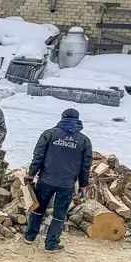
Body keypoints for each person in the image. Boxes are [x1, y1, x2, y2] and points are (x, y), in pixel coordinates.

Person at [26, 108, 93, 253]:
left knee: (38, 208)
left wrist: (31, 174)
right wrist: (83, 184)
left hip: (46, 179)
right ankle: (51, 244)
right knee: (59, 213)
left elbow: (38, 156)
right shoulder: (84, 141)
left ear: (62, 118)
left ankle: (30, 236)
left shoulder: (49, 134)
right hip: (66, 183)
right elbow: (85, 165)